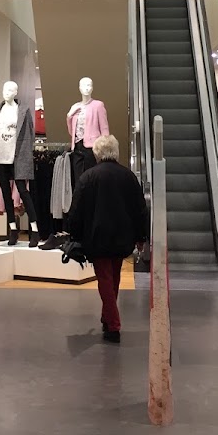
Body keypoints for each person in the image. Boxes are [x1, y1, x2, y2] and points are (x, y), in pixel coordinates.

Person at [65, 134, 149, 343]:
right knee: (114, 277)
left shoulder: (88, 177)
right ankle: (107, 317)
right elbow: (140, 209)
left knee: (104, 279)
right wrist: (141, 236)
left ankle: (113, 325)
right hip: (123, 236)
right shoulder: (129, 177)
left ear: (97, 153)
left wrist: (73, 233)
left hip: (97, 236)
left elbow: (77, 209)